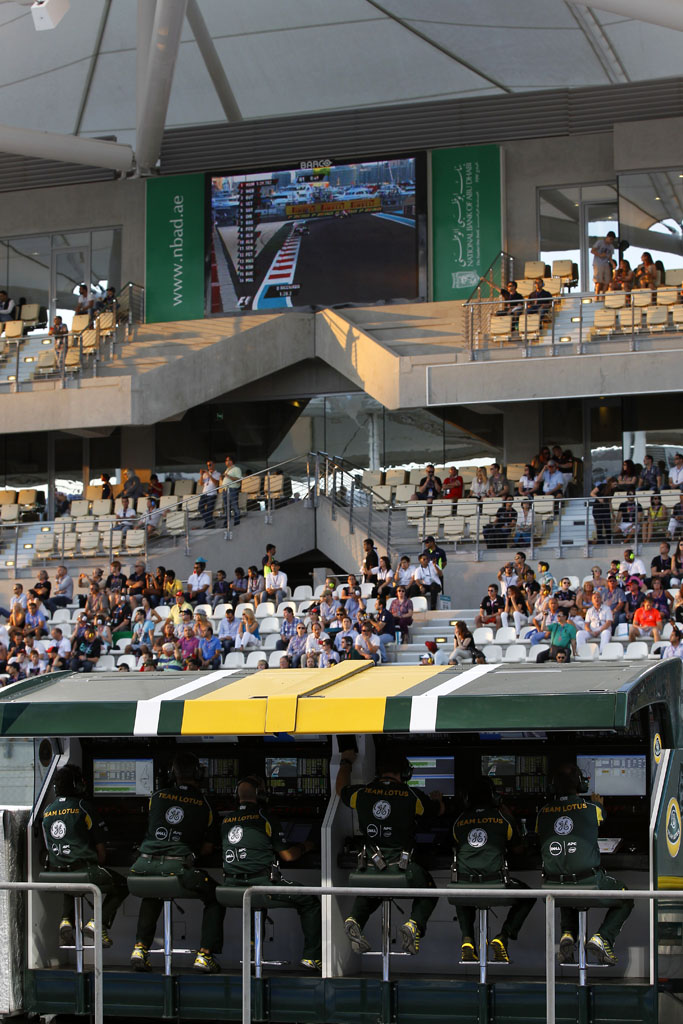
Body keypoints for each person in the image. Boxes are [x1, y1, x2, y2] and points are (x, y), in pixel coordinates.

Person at [337, 749, 443, 956]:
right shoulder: (412, 795)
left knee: (376, 887)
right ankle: (414, 925)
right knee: (430, 892)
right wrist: (438, 799)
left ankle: (355, 919)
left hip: (367, 867)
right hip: (402, 869)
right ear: (404, 773)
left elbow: (340, 789)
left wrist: (346, 761)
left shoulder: (362, 792)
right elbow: (437, 812)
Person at [129, 752, 224, 974]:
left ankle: (139, 949)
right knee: (216, 896)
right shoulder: (205, 805)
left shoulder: (157, 796)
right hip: (178, 868)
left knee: (153, 890)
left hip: (143, 868)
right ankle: (204, 955)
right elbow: (208, 848)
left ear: (173, 774)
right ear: (199, 774)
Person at [536, 763, 633, 965]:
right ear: (581, 784)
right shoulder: (592, 809)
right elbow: (601, 818)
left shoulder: (542, 813)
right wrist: (600, 804)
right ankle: (603, 938)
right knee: (626, 897)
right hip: (589, 884)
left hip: (552, 889)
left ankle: (568, 935)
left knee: (566, 883)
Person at [220, 775, 321, 968]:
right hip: (260, 886)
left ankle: (251, 949)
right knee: (309, 900)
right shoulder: (266, 818)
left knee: (255, 899)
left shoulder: (226, 820)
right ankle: (311, 956)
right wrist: (306, 846)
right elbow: (288, 856)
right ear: (261, 795)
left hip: (231, 887)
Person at [42, 765, 128, 948]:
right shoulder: (83, 807)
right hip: (83, 873)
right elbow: (101, 853)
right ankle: (97, 923)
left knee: (69, 877)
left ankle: (66, 920)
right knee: (122, 884)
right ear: (76, 785)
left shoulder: (48, 810)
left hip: (55, 873)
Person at [451, 776, 534, 963]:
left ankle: (468, 939)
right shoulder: (502, 819)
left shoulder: (459, 821)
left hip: (464, 886)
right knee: (528, 896)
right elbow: (519, 850)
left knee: (463, 887)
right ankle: (503, 936)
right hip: (496, 885)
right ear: (494, 797)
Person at [591, 230, 616, 295]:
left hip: (605, 263)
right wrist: (600, 255)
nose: (611, 241)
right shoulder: (600, 243)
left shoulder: (611, 247)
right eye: (610, 239)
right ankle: (597, 296)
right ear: (607, 237)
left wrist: (613, 264)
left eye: (612, 240)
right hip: (598, 263)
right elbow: (592, 250)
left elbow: (610, 257)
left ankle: (603, 296)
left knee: (607, 281)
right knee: (599, 281)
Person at [221, 455, 242, 526]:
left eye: (227, 460)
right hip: (225, 490)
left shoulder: (236, 469)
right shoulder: (227, 469)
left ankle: (237, 520)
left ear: (231, 461)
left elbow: (239, 480)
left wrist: (228, 476)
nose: (225, 462)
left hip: (232, 489)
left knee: (234, 505)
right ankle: (226, 522)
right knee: (226, 507)